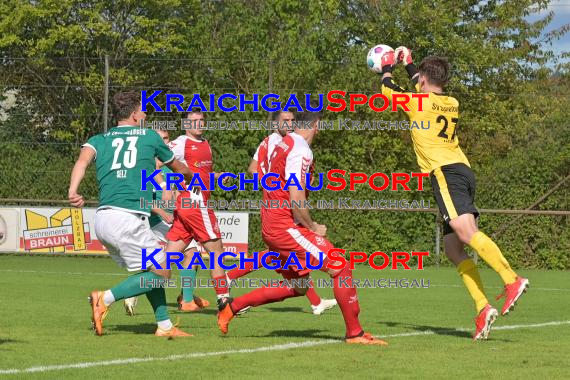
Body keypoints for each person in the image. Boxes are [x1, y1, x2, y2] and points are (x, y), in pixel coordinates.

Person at [379, 47, 529, 340]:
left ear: (422, 80)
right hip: (462, 169)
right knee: (453, 248)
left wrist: (386, 67)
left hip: (444, 172)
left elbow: (387, 89)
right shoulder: (451, 101)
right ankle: (483, 307)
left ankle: (512, 279)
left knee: (464, 231)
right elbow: (422, 89)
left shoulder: (418, 101)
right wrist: (410, 65)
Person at [217, 110, 387, 345]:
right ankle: (355, 333)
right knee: (341, 267)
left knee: (298, 286)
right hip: (285, 226)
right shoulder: (300, 149)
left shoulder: (282, 144)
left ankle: (231, 308)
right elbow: (296, 197)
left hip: (271, 224)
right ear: (316, 125)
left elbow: (260, 174)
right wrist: (312, 226)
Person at [68, 91, 193, 337]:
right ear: (135, 114)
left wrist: (73, 190)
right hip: (127, 218)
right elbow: (176, 167)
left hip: (103, 218)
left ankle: (164, 326)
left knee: (151, 270)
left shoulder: (100, 138)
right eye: (143, 111)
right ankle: (104, 298)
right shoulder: (148, 136)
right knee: (163, 271)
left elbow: (82, 162)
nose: (145, 114)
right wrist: (193, 177)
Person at [227, 110, 337, 316]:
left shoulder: (292, 141)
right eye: (284, 120)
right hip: (279, 209)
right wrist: (273, 185)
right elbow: (252, 170)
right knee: (282, 254)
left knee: (280, 257)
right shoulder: (271, 142)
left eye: (292, 120)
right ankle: (229, 278)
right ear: (275, 123)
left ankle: (315, 302)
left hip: (283, 208)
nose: (289, 123)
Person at [123, 128, 209, 315]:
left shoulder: (172, 167)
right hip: (152, 222)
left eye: (167, 138)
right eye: (160, 139)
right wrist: (162, 211)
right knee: (188, 255)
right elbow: (140, 199)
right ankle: (185, 299)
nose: (164, 142)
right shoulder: (145, 168)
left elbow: (181, 192)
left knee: (181, 258)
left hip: (173, 221)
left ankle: (185, 297)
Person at [164, 109, 231, 311]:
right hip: (195, 202)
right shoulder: (181, 143)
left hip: (188, 206)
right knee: (217, 251)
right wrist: (165, 185)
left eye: (201, 120)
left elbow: (201, 173)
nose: (199, 123)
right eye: (194, 121)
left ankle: (135, 291)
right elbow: (158, 160)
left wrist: (217, 176)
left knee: (170, 255)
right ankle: (224, 299)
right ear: (186, 125)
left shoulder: (205, 143)